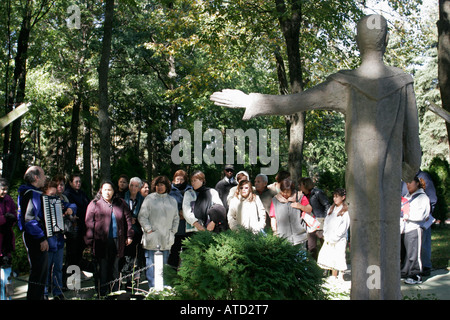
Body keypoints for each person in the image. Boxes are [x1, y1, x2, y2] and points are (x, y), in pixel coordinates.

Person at [211, 14, 422, 299]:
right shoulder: (402, 84)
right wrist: (408, 170)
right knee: (382, 244)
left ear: (358, 41)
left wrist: (252, 100)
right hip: (386, 183)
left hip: (361, 182)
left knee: (365, 247)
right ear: (386, 40)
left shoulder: (347, 84)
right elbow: (414, 145)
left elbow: (295, 101)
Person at [84, 181, 134, 297]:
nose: (107, 192)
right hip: (101, 241)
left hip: (118, 240)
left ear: (113, 191)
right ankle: (102, 293)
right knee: (103, 268)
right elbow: (89, 223)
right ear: (101, 190)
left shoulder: (120, 203)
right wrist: (89, 242)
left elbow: (128, 219)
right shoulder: (95, 204)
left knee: (115, 268)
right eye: (105, 189)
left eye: (110, 190)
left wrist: (129, 235)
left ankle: (115, 291)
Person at [138, 176, 179, 289]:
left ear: (167, 186)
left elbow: (176, 218)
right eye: (157, 185)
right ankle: (153, 290)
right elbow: (142, 217)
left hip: (166, 238)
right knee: (151, 266)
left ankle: (163, 291)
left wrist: (173, 232)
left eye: (162, 184)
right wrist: (149, 230)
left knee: (164, 266)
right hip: (152, 237)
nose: (160, 187)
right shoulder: (149, 199)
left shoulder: (172, 200)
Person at [42, 179, 76, 300]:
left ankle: (58, 291)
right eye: (51, 195)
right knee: (46, 268)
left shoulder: (59, 201)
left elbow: (72, 205)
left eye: (55, 195)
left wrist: (71, 209)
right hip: (48, 240)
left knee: (58, 267)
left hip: (59, 240)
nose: (53, 197)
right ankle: (44, 292)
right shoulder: (41, 203)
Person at [17, 166, 48, 300]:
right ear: (36, 177)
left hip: (35, 237)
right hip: (35, 238)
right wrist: (41, 238)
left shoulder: (33, 192)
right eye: (43, 174)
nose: (45, 177)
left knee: (40, 273)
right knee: (38, 273)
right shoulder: (31, 193)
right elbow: (30, 219)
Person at [402, 169, 436, 276]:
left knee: (422, 246)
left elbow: (432, 198)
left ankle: (423, 269)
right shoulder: (403, 177)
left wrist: (427, 215)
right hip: (406, 222)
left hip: (421, 221)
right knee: (410, 249)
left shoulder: (423, 176)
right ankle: (407, 270)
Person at [317, 188, 350, 282]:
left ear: (343, 197)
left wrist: (336, 236)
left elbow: (344, 226)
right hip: (329, 236)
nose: (335, 199)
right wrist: (325, 233)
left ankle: (341, 276)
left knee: (339, 255)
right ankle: (333, 275)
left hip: (339, 238)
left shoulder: (345, 211)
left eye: (337, 197)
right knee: (331, 255)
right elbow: (327, 222)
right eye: (334, 197)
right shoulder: (331, 209)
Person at [269, 178, 312, 248]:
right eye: (283, 191)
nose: (285, 194)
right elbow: (273, 217)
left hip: (300, 237)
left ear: (292, 190)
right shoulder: (275, 200)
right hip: (283, 237)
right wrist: (275, 231)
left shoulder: (299, 196)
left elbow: (309, 209)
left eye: (287, 191)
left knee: (300, 258)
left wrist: (300, 206)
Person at [122, 177, 145, 290]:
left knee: (136, 257)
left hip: (137, 232)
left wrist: (137, 218)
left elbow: (145, 215)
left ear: (140, 187)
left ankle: (134, 281)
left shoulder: (143, 199)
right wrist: (127, 219)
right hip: (125, 231)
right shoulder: (122, 197)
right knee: (126, 257)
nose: (133, 188)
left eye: (136, 186)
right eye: (132, 185)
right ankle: (126, 280)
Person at [64, 173, 90, 270]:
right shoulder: (68, 194)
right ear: (70, 182)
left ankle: (77, 273)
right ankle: (71, 277)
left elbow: (88, 204)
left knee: (79, 251)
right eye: (76, 182)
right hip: (73, 227)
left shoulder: (82, 193)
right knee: (72, 253)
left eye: (79, 181)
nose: (78, 183)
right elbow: (75, 209)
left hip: (82, 225)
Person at [299, 177, 330, 260]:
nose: (299, 186)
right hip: (309, 223)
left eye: (300, 184)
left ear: (305, 184)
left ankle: (328, 267)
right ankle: (314, 266)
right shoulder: (302, 196)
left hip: (320, 221)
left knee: (324, 244)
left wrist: (324, 219)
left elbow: (326, 205)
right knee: (311, 246)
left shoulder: (317, 192)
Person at [168, 170, 193, 269]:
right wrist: (178, 212)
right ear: (174, 180)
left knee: (187, 251)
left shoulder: (190, 190)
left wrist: (186, 213)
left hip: (188, 226)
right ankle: (171, 273)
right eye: (177, 179)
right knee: (175, 251)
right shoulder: (170, 190)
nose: (179, 182)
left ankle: (186, 272)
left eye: (182, 179)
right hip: (176, 227)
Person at [0, 178, 17, 271]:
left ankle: (7, 285)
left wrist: (12, 219)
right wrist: (5, 218)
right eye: (3, 189)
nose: (5, 191)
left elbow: (14, 214)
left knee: (7, 270)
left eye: (6, 189)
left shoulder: (8, 199)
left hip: (7, 239)